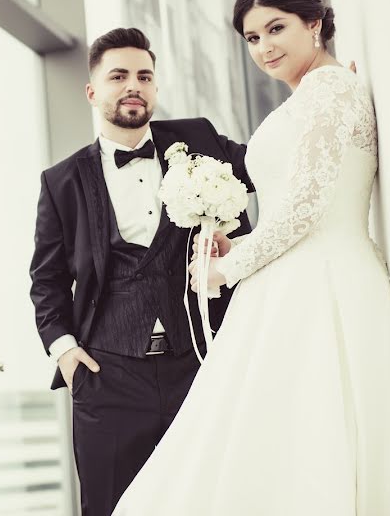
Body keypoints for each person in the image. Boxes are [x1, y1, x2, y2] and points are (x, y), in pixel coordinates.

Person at [113, 0, 390, 514]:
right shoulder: (316, 94)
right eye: (252, 38)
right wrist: (233, 250)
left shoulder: (331, 91)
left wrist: (228, 269)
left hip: (322, 285)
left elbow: (307, 206)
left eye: (276, 29)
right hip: (290, 282)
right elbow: (292, 203)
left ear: (314, 22)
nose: (263, 48)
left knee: (302, 442)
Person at [29, 27, 253, 516]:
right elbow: (46, 280)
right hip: (107, 376)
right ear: (93, 91)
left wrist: (317, 98)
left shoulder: (198, 139)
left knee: (213, 499)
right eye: (119, 75)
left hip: (199, 361)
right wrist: (66, 354)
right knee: (110, 507)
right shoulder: (61, 181)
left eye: (144, 75)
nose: (134, 84)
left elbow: (265, 165)